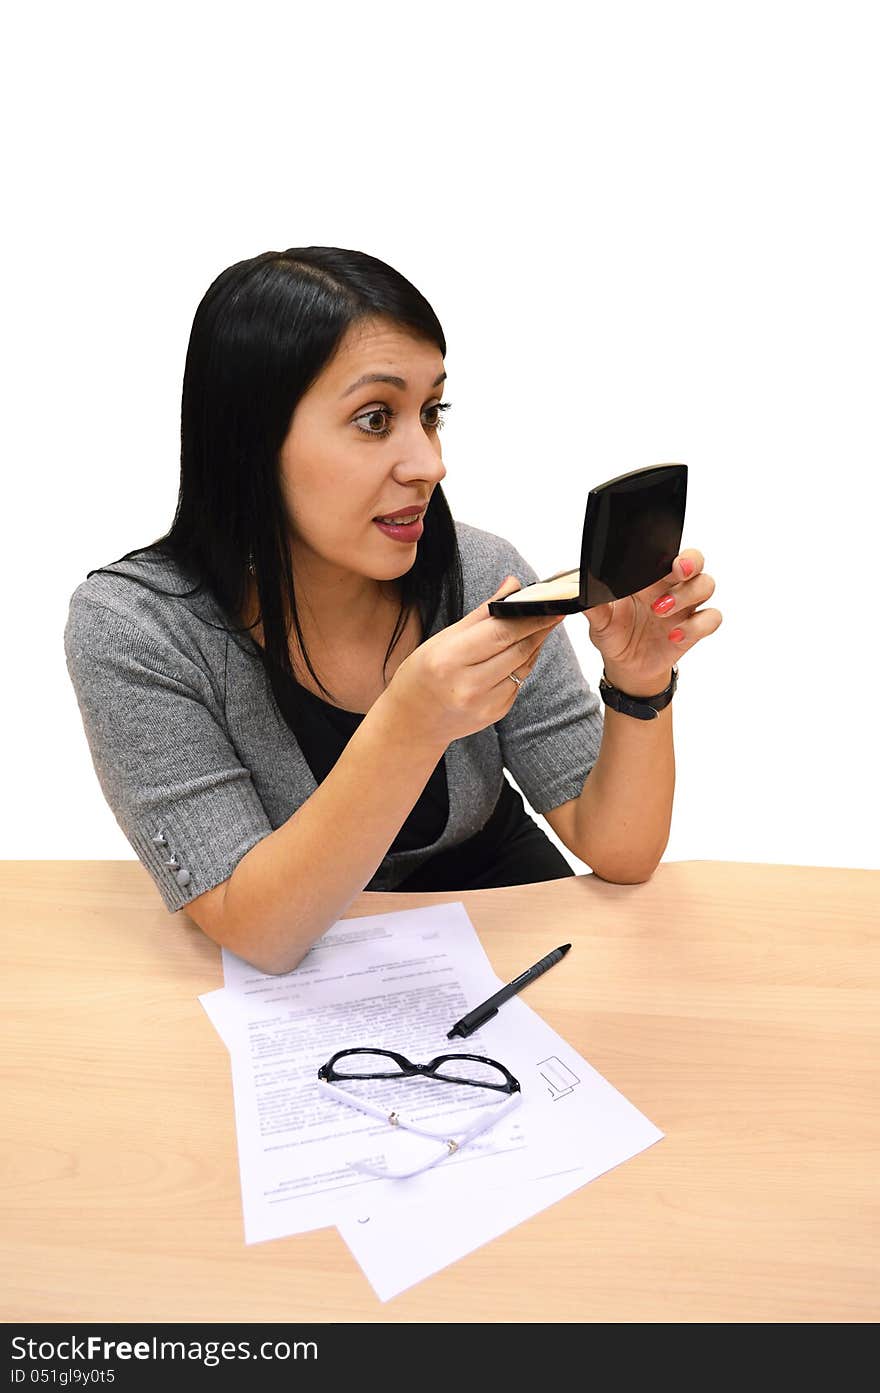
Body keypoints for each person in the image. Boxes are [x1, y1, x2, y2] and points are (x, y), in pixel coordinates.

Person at [64, 246, 722, 975]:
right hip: (303, 978)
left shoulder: (478, 573)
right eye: (376, 418)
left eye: (432, 411)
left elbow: (621, 852)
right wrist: (411, 720)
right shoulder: (137, 628)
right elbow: (260, 931)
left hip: (509, 942)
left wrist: (639, 683)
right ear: (251, 442)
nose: (430, 463)